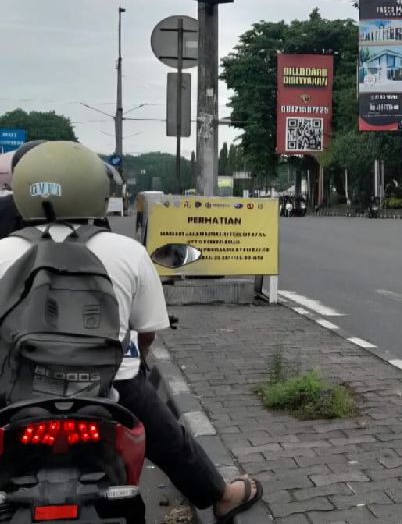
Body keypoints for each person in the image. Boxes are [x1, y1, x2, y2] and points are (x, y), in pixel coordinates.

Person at [0, 141, 261, 523]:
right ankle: (221, 496)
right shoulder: (127, 251)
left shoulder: (2, 250)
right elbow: (147, 333)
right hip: (111, 387)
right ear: (96, 190)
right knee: (171, 440)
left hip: (15, 391)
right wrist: (134, 361)